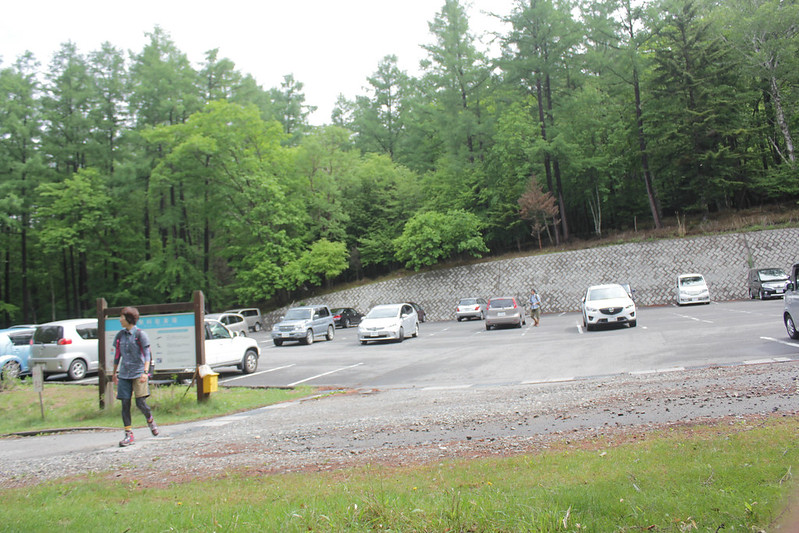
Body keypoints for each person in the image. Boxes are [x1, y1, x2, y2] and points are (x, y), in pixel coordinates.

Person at [112, 306, 158, 447]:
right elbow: (117, 355)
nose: (120, 320)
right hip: (124, 373)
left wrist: (145, 372)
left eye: (122, 317)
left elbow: (147, 355)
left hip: (139, 373)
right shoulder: (120, 335)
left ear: (129, 319)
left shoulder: (140, 334)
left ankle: (150, 420)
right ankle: (128, 435)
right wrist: (114, 373)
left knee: (140, 403)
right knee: (125, 403)